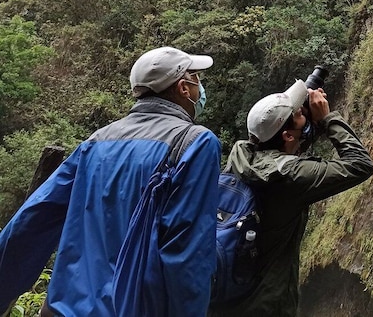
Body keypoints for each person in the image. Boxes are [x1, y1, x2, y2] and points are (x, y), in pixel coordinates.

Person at [0, 46, 222, 317]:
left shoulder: (95, 142)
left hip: (63, 310)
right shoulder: (196, 143)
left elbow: (32, 220)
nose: (200, 87)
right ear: (183, 88)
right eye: (196, 78)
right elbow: (188, 253)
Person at [209, 79, 373, 317]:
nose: (303, 115)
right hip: (267, 306)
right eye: (299, 114)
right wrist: (328, 119)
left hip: (224, 304)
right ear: (287, 135)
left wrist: (306, 119)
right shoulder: (289, 178)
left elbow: (284, 151)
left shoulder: (241, 158)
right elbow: (360, 164)